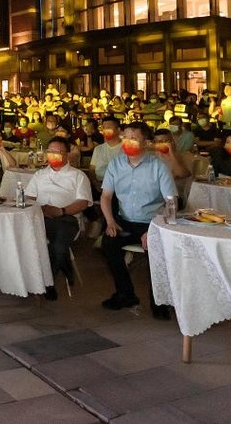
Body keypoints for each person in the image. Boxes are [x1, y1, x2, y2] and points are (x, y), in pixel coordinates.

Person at [100, 122, 177, 317]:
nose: (128, 142)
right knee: (108, 244)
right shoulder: (115, 164)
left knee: (157, 249)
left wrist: (155, 229)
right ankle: (125, 294)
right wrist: (110, 221)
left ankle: (159, 301)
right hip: (124, 220)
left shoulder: (158, 166)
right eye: (126, 138)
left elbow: (171, 202)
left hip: (152, 222)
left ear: (146, 142)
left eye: (134, 138)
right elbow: (106, 197)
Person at [26, 136, 93, 300]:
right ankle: (63, 266)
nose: (53, 155)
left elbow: (83, 202)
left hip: (66, 218)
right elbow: (29, 198)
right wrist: (41, 209)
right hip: (41, 216)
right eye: (50, 152)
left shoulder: (78, 176)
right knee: (27, 238)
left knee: (57, 245)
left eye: (58, 152)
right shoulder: (40, 174)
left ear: (67, 154)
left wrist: (61, 211)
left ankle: (49, 283)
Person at [91, 117, 125, 182]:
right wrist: (96, 183)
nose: (105, 130)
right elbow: (92, 169)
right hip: (100, 184)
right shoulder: (98, 149)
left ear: (118, 130)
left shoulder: (126, 148)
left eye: (109, 128)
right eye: (104, 128)